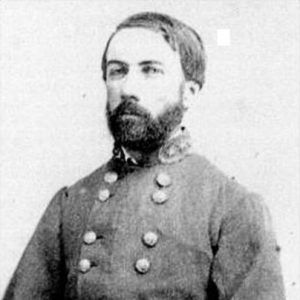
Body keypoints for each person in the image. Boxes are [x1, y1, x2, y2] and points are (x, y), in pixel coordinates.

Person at [3, 12, 285, 300]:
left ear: (188, 92)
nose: (128, 89)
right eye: (117, 71)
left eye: (150, 70)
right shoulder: (70, 204)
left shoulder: (231, 207)